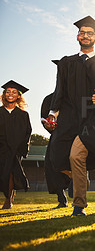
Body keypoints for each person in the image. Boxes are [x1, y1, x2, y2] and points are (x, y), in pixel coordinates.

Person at [47, 16, 95, 216]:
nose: (86, 36)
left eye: (90, 33)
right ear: (77, 37)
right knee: (55, 157)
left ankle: (79, 205)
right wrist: (53, 113)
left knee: (75, 156)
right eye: (83, 33)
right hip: (68, 119)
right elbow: (59, 91)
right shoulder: (65, 63)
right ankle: (81, 177)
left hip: (91, 120)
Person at [0, 80, 31, 209]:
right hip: (1, 148)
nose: (10, 94)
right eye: (8, 92)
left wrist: (22, 148)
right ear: (4, 94)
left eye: (14, 92)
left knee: (11, 173)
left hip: (16, 149)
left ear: (18, 95)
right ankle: (8, 198)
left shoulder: (23, 115)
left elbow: (27, 132)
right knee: (3, 173)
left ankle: (8, 200)